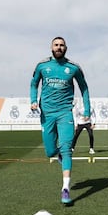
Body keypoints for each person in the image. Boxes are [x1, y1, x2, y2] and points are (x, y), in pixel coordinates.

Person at [30, 37, 91, 204]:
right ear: (51, 47)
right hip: (47, 114)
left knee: (66, 149)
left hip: (65, 113)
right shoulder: (42, 66)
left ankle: (65, 188)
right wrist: (33, 100)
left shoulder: (73, 68)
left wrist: (87, 109)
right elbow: (34, 84)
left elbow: (84, 88)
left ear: (66, 48)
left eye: (61, 45)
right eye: (56, 45)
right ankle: (57, 156)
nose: (59, 47)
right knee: (50, 151)